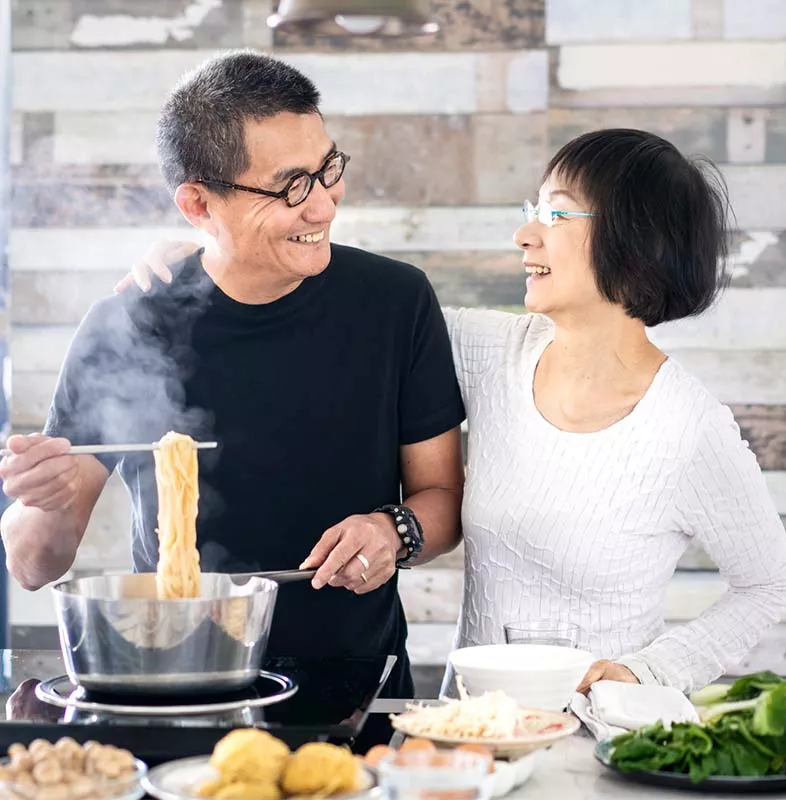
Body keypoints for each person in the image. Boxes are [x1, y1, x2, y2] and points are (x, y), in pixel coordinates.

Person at [122, 128, 786, 696]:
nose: (524, 235)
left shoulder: (689, 428)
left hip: (597, 744)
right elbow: (363, 315)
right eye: (532, 209)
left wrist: (645, 673)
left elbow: (768, 585)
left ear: (638, 242)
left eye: (556, 215)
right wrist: (214, 256)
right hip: (469, 737)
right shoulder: (489, 352)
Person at [0, 51, 467, 705]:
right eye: (290, 187)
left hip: (355, 683)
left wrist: (393, 531)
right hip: (175, 675)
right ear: (197, 203)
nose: (323, 207)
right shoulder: (131, 323)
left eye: (329, 170)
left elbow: (443, 498)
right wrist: (43, 502)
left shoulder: (395, 301)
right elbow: (31, 563)